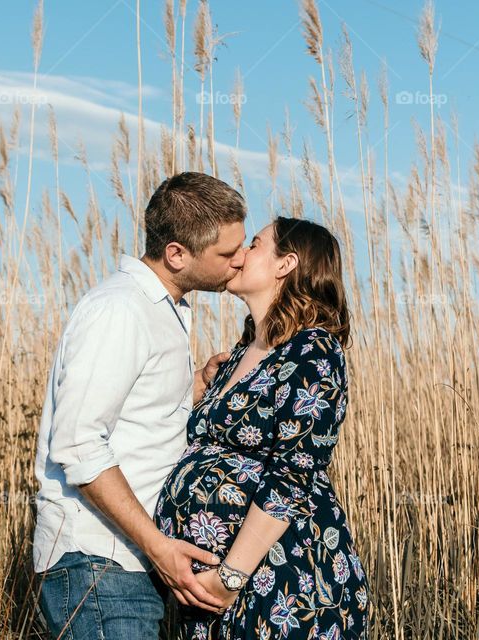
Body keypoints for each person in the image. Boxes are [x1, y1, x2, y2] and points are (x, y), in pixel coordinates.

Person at [32, 171, 249, 639]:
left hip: (127, 563)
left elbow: (137, 411)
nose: (241, 260)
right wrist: (158, 546)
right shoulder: (120, 310)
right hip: (97, 563)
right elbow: (77, 443)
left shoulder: (164, 308)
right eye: (228, 254)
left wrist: (197, 386)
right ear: (177, 254)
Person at [154, 217, 372, 639]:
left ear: (285, 264)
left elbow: (293, 475)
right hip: (214, 593)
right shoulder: (242, 351)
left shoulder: (313, 350)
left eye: (254, 244)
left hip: (285, 583)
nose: (239, 255)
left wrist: (230, 577)